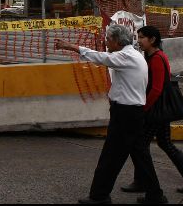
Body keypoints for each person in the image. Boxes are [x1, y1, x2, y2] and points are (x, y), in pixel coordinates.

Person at [55, 24, 167, 205]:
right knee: (141, 155)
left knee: (111, 157)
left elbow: (100, 58)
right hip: (133, 113)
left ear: (116, 41)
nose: (106, 42)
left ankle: (99, 196)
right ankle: (155, 195)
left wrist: (71, 46)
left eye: (108, 39)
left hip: (125, 114)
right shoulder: (134, 55)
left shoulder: (126, 56)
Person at [120, 26, 183, 195]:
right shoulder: (153, 55)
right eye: (138, 37)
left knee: (140, 146)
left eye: (142, 37)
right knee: (165, 143)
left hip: (155, 111)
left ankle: (143, 182)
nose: (139, 41)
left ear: (152, 40)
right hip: (161, 111)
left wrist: (143, 109)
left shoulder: (156, 58)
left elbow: (156, 89)